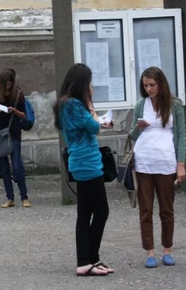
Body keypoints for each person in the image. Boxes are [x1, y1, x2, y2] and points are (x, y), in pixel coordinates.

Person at [53, 63, 114, 276]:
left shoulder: (67, 104)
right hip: (86, 163)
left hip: (83, 161)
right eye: (89, 83)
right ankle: (87, 260)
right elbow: (95, 126)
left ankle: (89, 260)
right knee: (100, 211)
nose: (91, 86)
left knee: (87, 212)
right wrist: (90, 102)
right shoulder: (73, 105)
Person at [129, 67, 186, 268]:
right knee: (145, 210)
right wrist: (138, 127)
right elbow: (132, 136)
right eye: (145, 86)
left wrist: (181, 164)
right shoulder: (140, 105)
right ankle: (150, 252)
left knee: (167, 209)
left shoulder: (175, 105)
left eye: (152, 85)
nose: (149, 89)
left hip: (166, 162)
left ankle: (167, 250)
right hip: (144, 162)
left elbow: (181, 135)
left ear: (161, 84)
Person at [0, 70, 30, 208]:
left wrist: (14, 111)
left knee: (17, 167)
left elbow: (24, 115)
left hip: (14, 132)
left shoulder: (18, 94)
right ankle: (10, 198)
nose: (8, 87)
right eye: (6, 84)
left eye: (10, 84)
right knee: (4, 168)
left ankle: (25, 197)